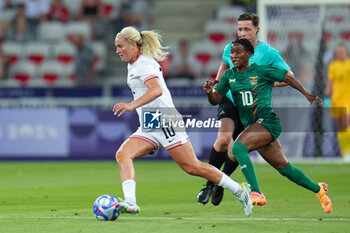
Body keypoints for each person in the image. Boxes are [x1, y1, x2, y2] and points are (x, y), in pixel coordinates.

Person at [112, 26, 253, 217]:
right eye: (116, 47)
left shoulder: (144, 65)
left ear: (132, 44)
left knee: (192, 167)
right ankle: (130, 203)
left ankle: (240, 190)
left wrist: (131, 105)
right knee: (123, 155)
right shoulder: (134, 64)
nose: (117, 51)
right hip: (150, 122)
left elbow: (156, 90)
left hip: (166, 119)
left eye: (120, 46)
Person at [204, 38, 332, 214]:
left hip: (267, 121)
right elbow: (216, 100)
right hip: (253, 126)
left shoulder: (261, 71)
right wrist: (210, 93)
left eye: (238, 52)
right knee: (284, 168)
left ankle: (256, 192)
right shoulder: (229, 76)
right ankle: (319, 190)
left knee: (238, 148)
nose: (234, 56)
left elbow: (287, 76)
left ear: (249, 54)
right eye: (232, 53)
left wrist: (307, 94)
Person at [197, 12, 289, 207]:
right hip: (230, 99)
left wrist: (261, 84)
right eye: (240, 29)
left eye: (247, 29)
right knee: (223, 139)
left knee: (236, 149)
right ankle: (209, 184)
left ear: (257, 30)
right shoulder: (231, 48)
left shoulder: (269, 53)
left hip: (250, 107)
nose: (242, 33)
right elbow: (223, 68)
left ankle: (222, 182)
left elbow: (288, 76)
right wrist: (216, 86)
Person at [325, 43, 350, 161]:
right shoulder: (333, 66)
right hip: (336, 99)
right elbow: (331, 81)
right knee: (341, 127)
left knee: (346, 122)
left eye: (342, 52)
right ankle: (345, 153)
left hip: (347, 98)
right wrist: (327, 93)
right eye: (338, 52)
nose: (340, 54)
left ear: (346, 53)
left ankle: (348, 150)